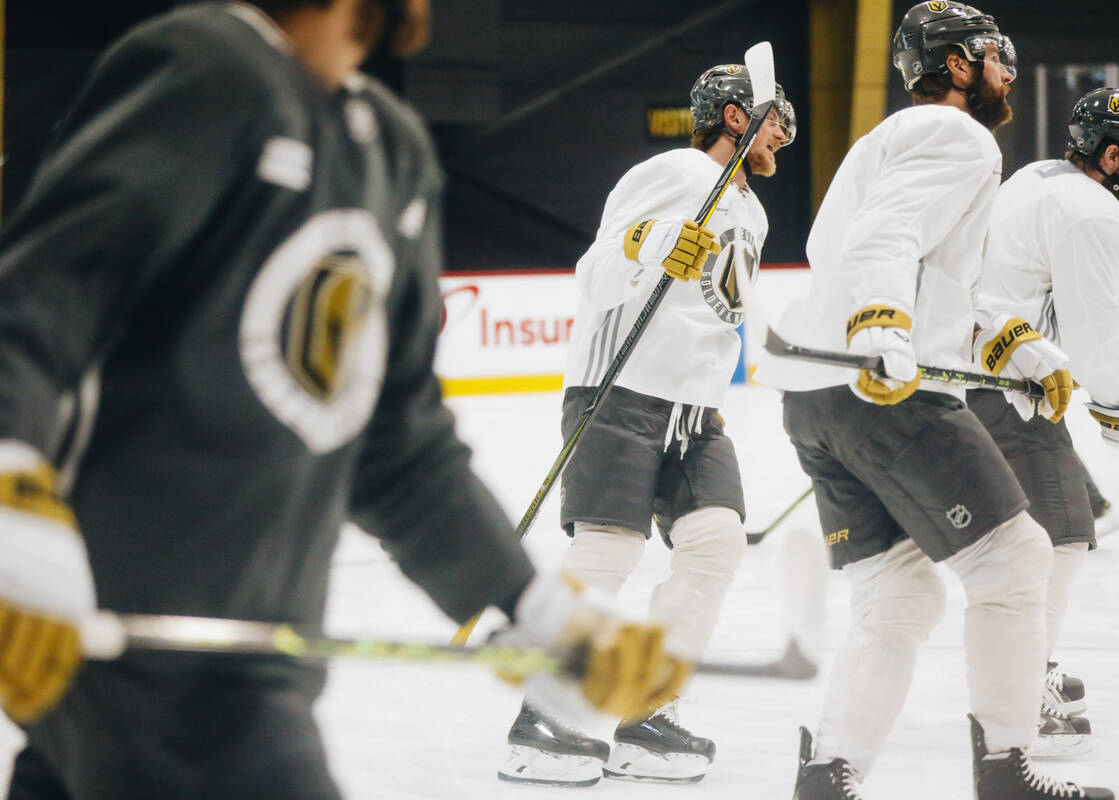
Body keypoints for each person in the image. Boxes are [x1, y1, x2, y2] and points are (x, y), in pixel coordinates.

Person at [0, 2, 691, 798]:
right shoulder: (209, 69)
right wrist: (17, 504)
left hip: (246, 658)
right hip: (140, 656)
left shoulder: (392, 151)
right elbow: (35, 305)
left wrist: (530, 605)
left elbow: (398, 450)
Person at [754, 3, 1114, 798]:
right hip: (875, 384)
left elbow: (930, 276)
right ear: (955, 64)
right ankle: (1006, 773)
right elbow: (882, 240)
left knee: (899, 592)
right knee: (1017, 559)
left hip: (819, 396)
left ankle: (830, 773)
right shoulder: (959, 136)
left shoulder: (885, 140)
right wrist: (883, 326)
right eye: (994, 55)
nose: (1007, 71)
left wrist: (1018, 347)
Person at [497, 62, 796, 787]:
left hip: (694, 409)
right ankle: (545, 715)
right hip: (621, 389)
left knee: (716, 544)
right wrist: (650, 244)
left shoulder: (751, 212)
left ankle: (649, 711)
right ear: (735, 116)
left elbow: (725, 308)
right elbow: (596, 271)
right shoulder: (675, 170)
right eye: (776, 119)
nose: (784, 136)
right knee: (607, 553)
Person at [969, 86, 1119, 757]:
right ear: (1110, 155)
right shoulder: (1095, 213)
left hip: (990, 371)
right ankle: (1020, 694)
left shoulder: (1038, 175)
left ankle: (1029, 666)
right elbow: (1092, 336)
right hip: (1005, 386)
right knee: (1059, 540)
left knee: (1043, 537)